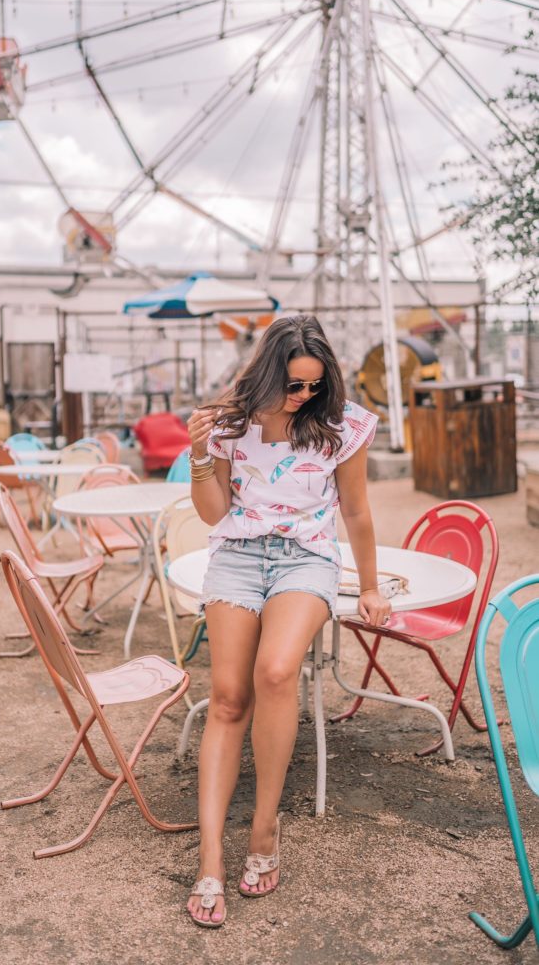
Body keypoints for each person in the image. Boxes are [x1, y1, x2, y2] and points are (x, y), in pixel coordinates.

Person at [185, 314, 391, 928]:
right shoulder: (226, 425)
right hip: (240, 557)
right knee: (226, 696)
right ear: (269, 373)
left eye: (314, 386)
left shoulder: (337, 427)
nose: (304, 397)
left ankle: (265, 826)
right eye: (294, 385)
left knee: (277, 671)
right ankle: (211, 858)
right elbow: (212, 513)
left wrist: (373, 587)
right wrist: (199, 454)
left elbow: (355, 511)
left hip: (307, 558)